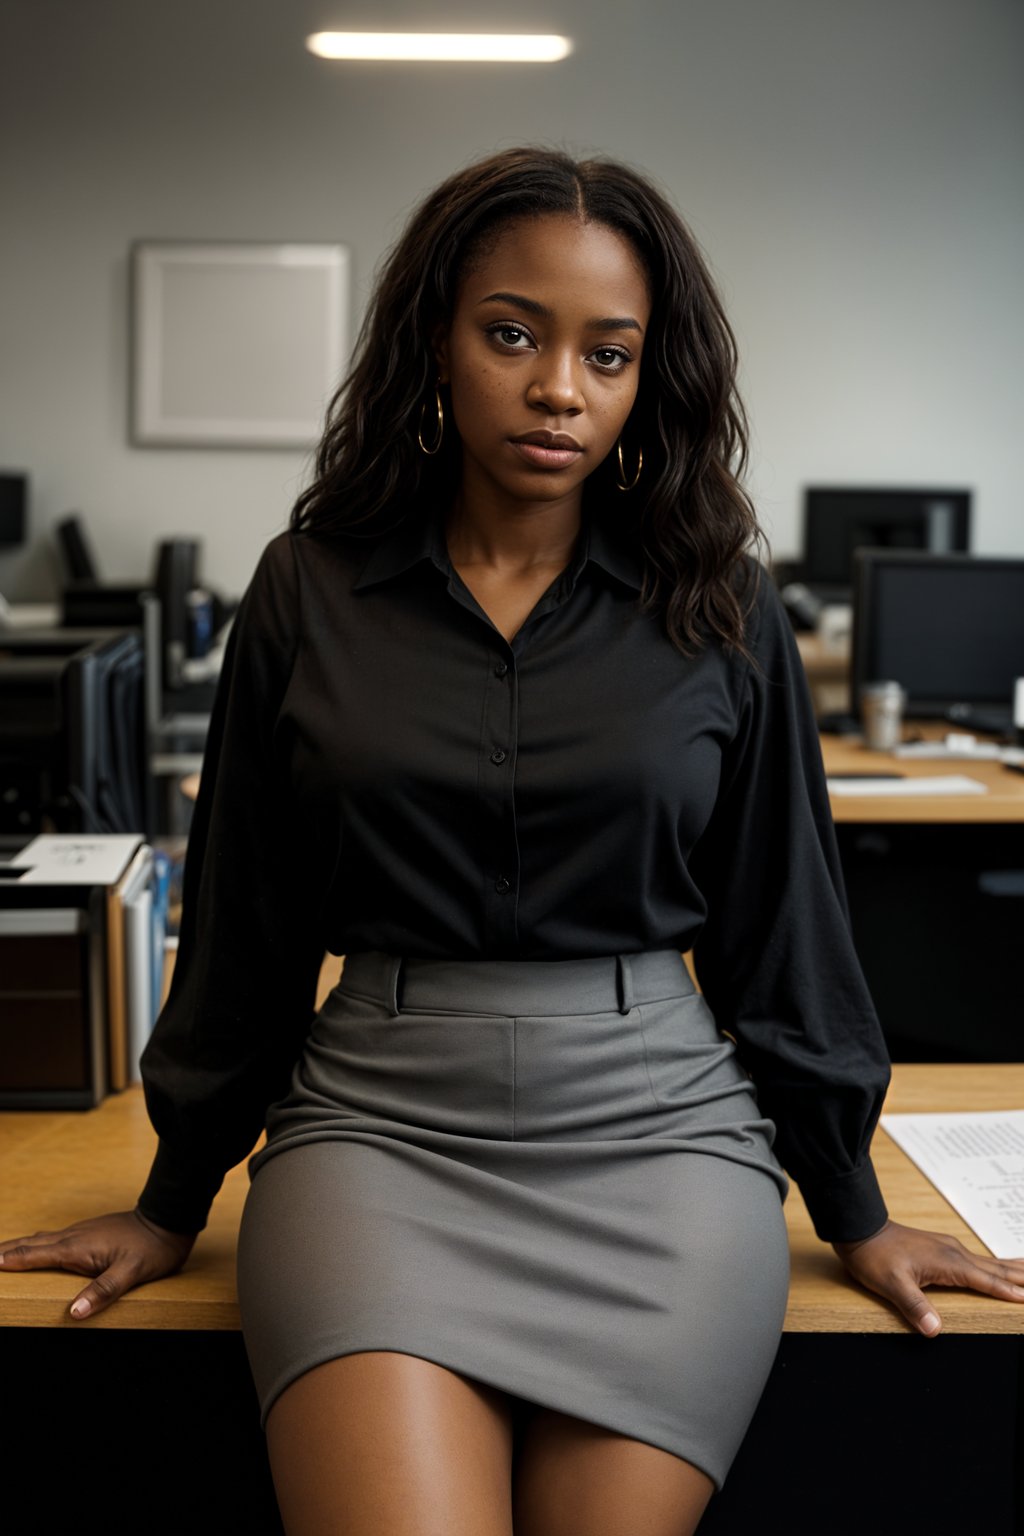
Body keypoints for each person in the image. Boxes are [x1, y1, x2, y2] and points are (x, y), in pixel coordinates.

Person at [3, 147, 1023, 1536]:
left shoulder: (716, 598)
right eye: (512, 335)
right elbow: (249, 919)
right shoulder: (310, 586)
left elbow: (783, 922)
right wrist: (175, 1196)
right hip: (378, 1137)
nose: (560, 388)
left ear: (645, 377)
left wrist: (851, 1202)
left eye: (609, 354)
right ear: (435, 339)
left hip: (659, 1144)